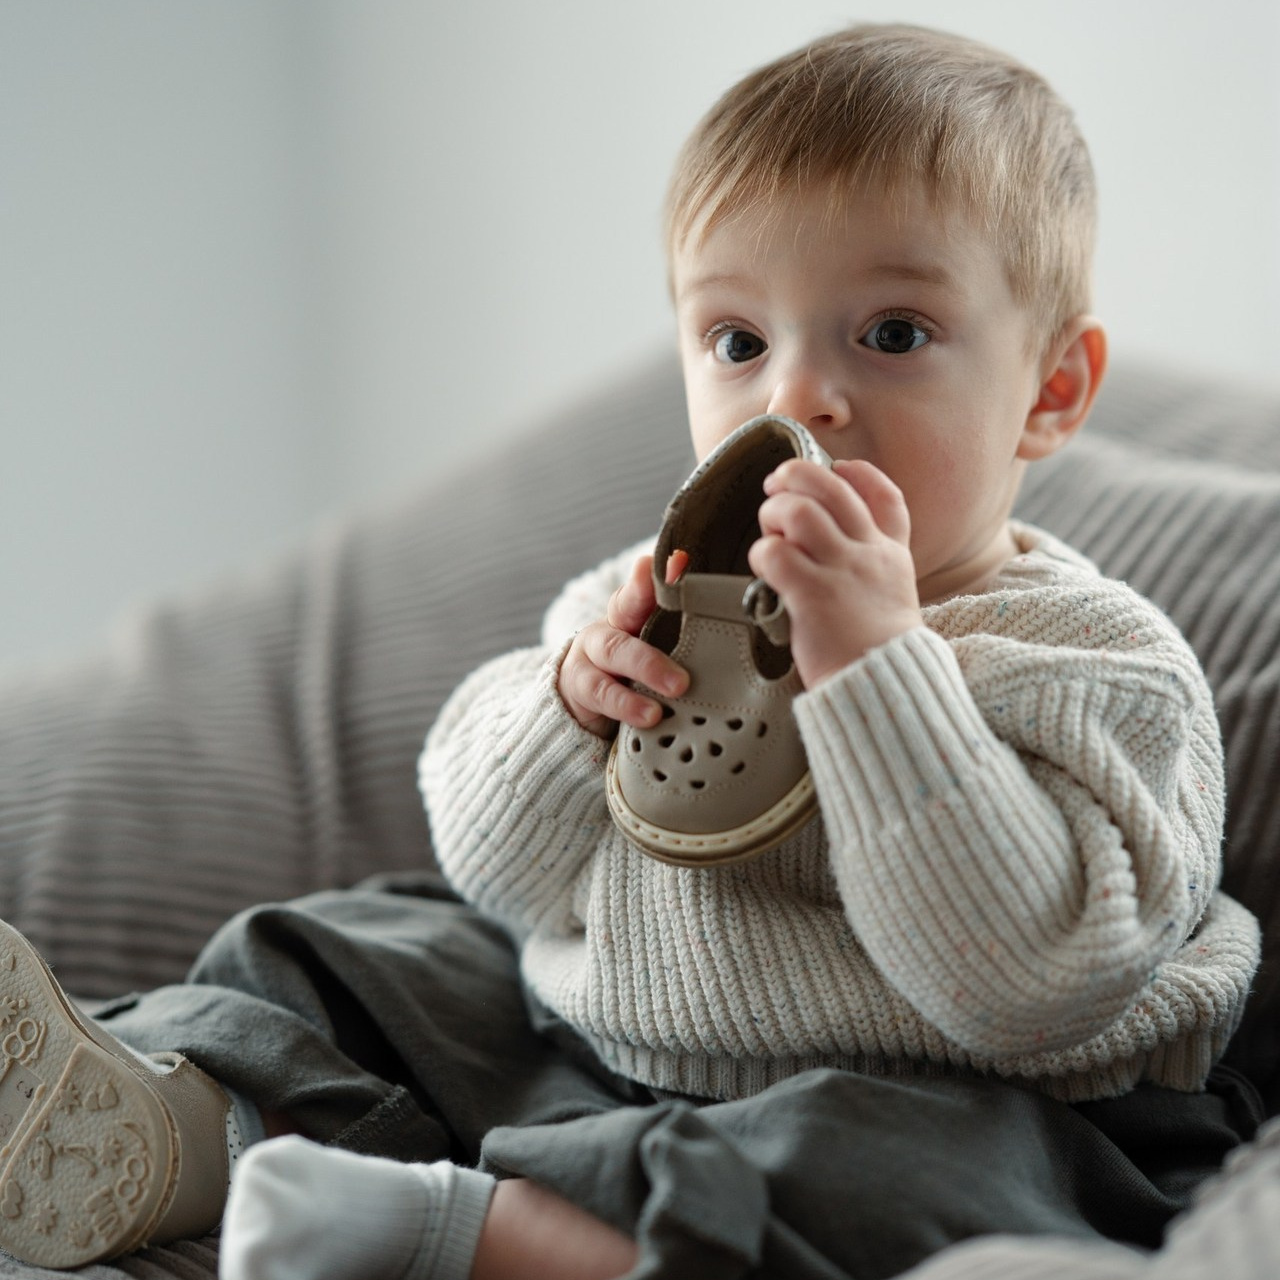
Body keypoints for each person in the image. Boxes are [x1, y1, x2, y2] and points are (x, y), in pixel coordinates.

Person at [0, 22, 1261, 1280]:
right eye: (736, 341)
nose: (793, 400)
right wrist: (565, 708)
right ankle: (180, 1123)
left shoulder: (1096, 660)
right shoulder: (648, 594)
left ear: (1050, 388)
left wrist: (880, 674)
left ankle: (484, 1232)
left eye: (889, 333)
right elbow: (500, 868)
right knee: (355, 944)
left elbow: (1029, 980)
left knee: (885, 1168)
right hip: (603, 1046)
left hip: (972, 1103)